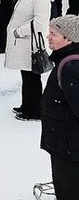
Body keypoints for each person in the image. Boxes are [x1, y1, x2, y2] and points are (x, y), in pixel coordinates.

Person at [6, 0, 54, 120]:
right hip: (25, 45)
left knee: (32, 78)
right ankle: (27, 105)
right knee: (26, 77)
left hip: (30, 44)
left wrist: (19, 32)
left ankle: (33, 111)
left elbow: (40, 23)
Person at [42, 14, 79, 197]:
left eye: (54, 33)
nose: (48, 37)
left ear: (69, 38)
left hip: (68, 147)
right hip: (67, 144)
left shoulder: (70, 66)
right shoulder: (69, 61)